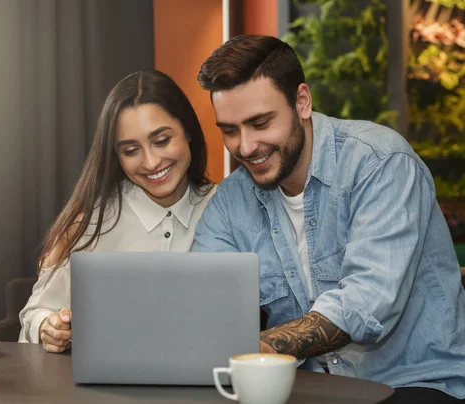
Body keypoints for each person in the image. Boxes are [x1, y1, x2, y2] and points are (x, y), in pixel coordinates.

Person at [192, 34, 465, 403]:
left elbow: (366, 303)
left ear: (301, 102)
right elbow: (204, 300)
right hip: (305, 388)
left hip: (413, 383)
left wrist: (262, 346)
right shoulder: (230, 202)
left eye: (260, 123)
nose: (245, 146)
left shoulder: (380, 163)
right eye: (229, 130)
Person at [19, 70, 215, 353]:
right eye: (131, 150)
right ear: (116, 155)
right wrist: (46, 326)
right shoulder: (92, 219)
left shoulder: (225, 207)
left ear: (188, 132)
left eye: (161, 141)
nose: (151, 162)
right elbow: (34, 313)